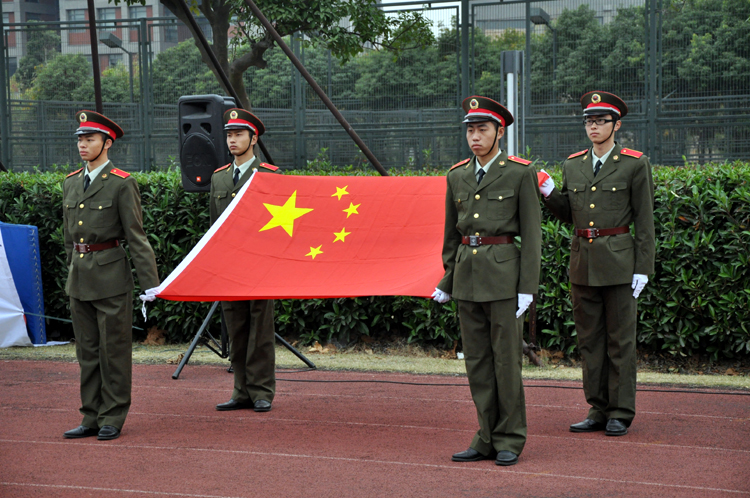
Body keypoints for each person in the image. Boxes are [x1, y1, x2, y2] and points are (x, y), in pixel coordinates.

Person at [539, 91, 655, 437]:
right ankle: (598, 408)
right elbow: (570, 214)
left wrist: (643, 267)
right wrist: (550, 193)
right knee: (590, 341)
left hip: (619, 264)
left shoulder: (634, 164)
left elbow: (645, 221)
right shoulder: (573, 164)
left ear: (616, 125)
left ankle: (620, 411)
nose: (593, 127)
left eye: (601, 121)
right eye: (589, 121)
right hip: (583, 263)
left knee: (620, 341)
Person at [433, 96, 542, 466]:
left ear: (499, 132)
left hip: (504, 279)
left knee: (506, 362)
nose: (475, 137)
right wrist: (449, 279)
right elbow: (452, 236)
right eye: (470, 130)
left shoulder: (520, 173)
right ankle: (486, 436)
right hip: (467, 279)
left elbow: (532, 236)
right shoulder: (456, 175)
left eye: (482, 129)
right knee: (477, 362)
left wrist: (527, 288)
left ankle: (510, 437)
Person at [62, 110, 160, 441]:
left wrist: (150, 284)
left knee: (113, 351)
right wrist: (72, 269)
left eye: (89, 139)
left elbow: (136, 236)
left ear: (107, 143)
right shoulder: (71, 182)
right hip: (80, 279)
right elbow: (69, 238)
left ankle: (113, 416)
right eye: (80, 139)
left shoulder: (121, 183)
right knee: (87, 352)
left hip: (112, 279)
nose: (82, 144)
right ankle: (90, 415)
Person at [211, 108, 280, 413]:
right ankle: (241, 390)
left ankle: (261, 390)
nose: (232, 140)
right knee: (236, 329)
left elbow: (282, 228)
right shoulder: (219, 178)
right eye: (229, 134)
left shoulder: (270, 176)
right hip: (229, 266)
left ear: (253, 139)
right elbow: (214, 227)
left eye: (239, 134)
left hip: (260, 264)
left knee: (260, 331)